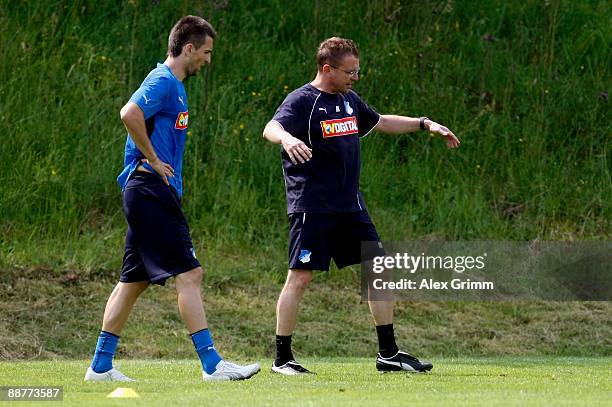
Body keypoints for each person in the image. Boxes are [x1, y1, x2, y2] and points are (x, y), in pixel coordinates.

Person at [263, 37, 460, 375]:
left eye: (357, 71)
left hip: (350, 207)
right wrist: (288, 138)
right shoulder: (302, 101)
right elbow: (271, 127)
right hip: (313, 206)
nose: (355, 78)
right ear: (327, 69)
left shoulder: (348, 101)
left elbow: (381, 121)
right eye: (349, 72)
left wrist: (425, 124)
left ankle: (388, 354)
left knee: (379, 267)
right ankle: (283, 359)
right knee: (300, 277)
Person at [84, 16, 260, 382]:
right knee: (191, 273)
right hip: (149, 190)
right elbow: (129, 113)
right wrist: (151, 158)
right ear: (188, 48)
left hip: (152, 192)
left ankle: (100, 366)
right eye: (206, 52)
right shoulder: (162, 80)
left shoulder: (177, 88)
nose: (208, 60)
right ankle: (212, 364)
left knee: (133, 280)